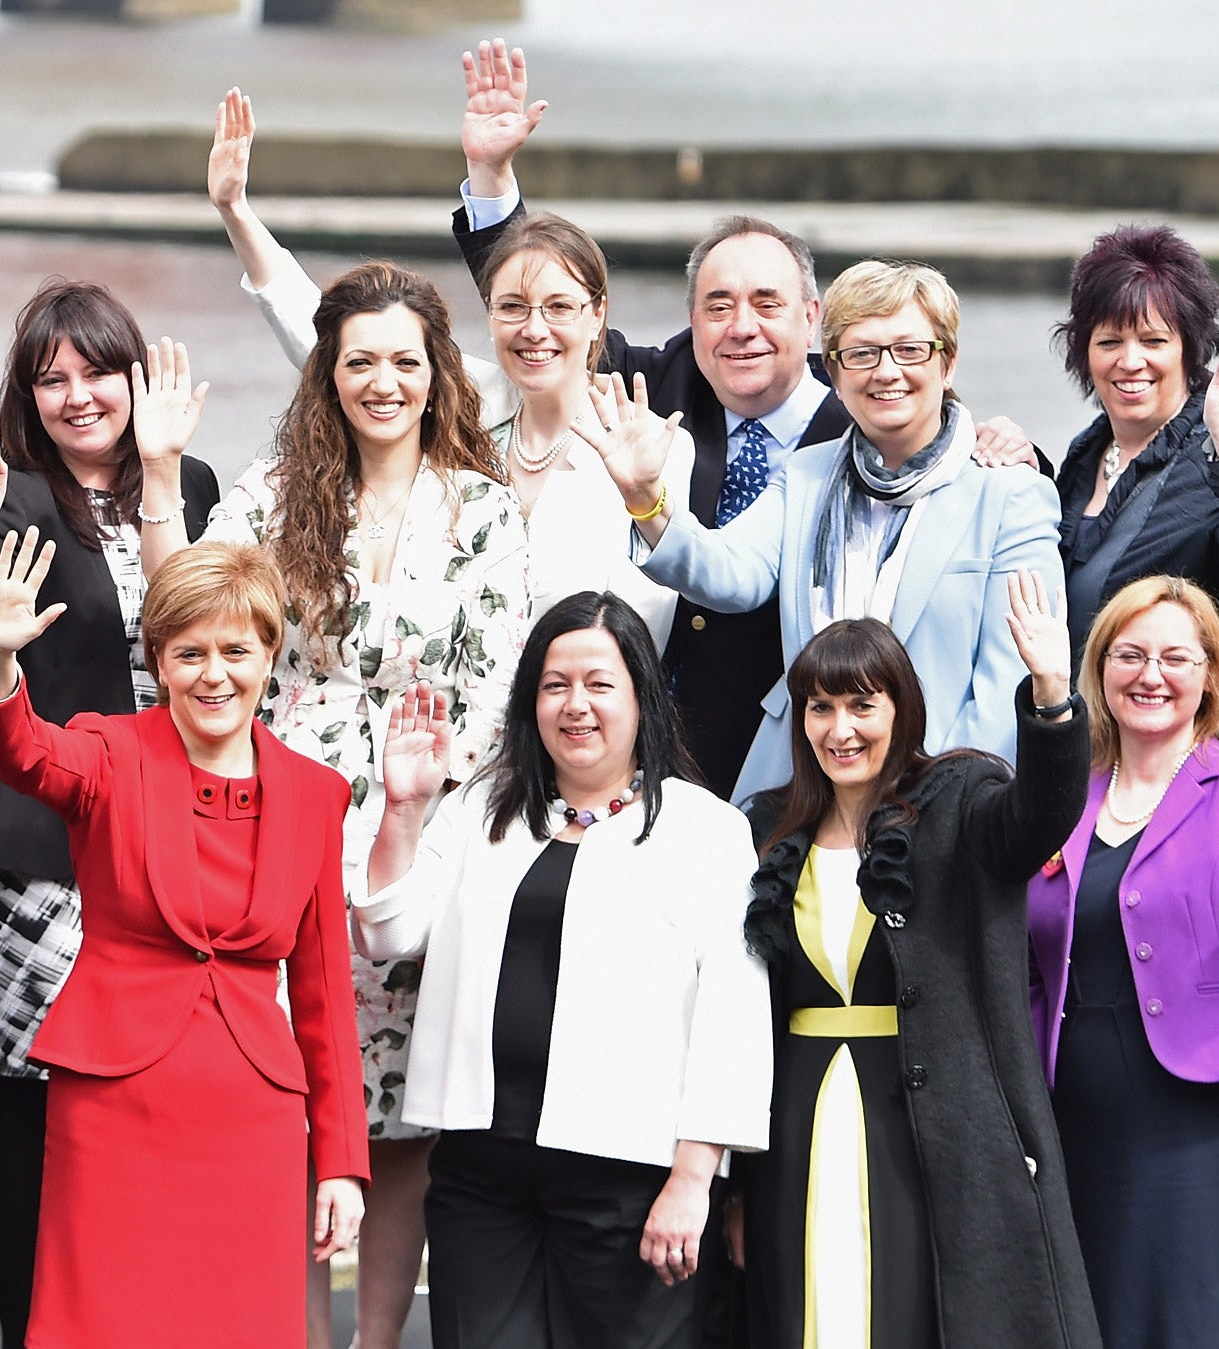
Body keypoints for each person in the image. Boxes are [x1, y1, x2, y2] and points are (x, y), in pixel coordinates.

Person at [136, 261, 527, 1349]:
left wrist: (425, 797)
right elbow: (188, 612)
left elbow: (505, 673)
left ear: (436, 371)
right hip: (282, 818)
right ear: (327, 372)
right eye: (359, 358)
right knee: (293, 1098)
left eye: (404, 359)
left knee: (400, 1117)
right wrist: (159, 474)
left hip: (426, 826)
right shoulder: (269, 496)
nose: (382, 380)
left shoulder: (486, 507)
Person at [442, 41, 1038, 798]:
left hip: (791, 753)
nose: (742, 327)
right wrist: (493, 179)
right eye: (718, 307)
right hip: (635, 735)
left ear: (813, 318)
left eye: (767, 304)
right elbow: (545, 316)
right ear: (692, 318)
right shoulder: (652, 385)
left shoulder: (852, 415)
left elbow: (936, 429)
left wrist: (1012, 445)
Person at [0, 531, 368, 1349]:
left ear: (270, 654)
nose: (212, 673)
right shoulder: (108, 751)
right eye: (187, 651)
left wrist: (342, 1163)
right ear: (157, 658)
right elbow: (19, 751)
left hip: (251, 1123)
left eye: (235, 650)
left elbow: (322, 999)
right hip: (117, 1114)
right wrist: (0, 663)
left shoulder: (315, 796)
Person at [352, 592, 771, 1349]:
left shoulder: (705, 830)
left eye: (598, 683)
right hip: (483, 1170)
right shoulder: (481, 813)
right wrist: (404, 810)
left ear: (643, 699)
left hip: (628, 1177)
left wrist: (695, 1176)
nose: (575, 704)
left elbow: (734, 1010)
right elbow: (387, 931)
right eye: (555, 684)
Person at [731, 585, 1121, 1349]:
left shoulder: (958, 800)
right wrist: (735, 1176)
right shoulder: (765, 825)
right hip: (801, 1138)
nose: (841, 726)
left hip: (928, 1134)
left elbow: (1042, 816)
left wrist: (1051, 694)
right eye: (821, 705)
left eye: (863, 702)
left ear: (901, 708)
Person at [0, 278, 217, 1349]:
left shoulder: (187, 484)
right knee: (35, 1106)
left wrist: (158, 477)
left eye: (93, 369)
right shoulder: (13, 499)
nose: (74, 395)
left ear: (133, 376)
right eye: (49, 379)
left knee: (150, 1109)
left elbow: (195, 624)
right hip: (33, 851)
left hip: (165, 841)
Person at [207, 88, 689, 646]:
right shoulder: (467, 400)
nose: (535, 330)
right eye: (512, 307)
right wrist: (235, 210)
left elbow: (647, 627)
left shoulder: (649, 447)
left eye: (559, 308)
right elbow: (329, 337)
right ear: (490, 314)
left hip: (575, 713)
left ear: (596, 312)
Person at [576, 259, 1063, 803]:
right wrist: (646, 498)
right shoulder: (808, 472)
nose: (886, 372)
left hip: (940, 795)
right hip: (803, 787)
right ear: (833, 369)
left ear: (947, 363)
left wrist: (938, 805)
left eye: (910, 350)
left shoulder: (1009, 496)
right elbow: (732, 574)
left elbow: (1006, 686)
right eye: (861, 353)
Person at [1026, 576, 1219, 1349]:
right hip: (1078, 1134)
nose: (1148, 674)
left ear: (1209, 679)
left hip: (1207, 1138)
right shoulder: (1055, 796)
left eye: (1173, 656)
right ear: (1098, 668)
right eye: (1127, 653)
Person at [1050, 226, 1219, 659]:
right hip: (1075, 719)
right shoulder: (1083, 456)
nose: (1129, 361)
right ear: (1083, 353)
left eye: (1153, 341)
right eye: (1109, 341)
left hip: (1178, 718)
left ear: (1189, 349)